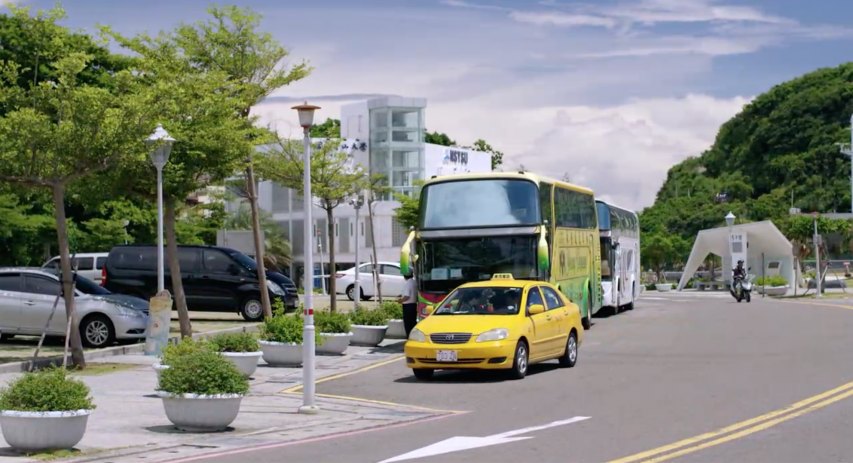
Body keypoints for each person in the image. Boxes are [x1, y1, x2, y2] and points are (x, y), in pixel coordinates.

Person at [398, 272, 418, 337]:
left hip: (408, 306)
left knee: (408, 323)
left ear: (404, 276)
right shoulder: (414, 282)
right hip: (414, 305)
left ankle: (409, 336)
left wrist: (400, 300)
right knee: (413, 322)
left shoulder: (408, 284)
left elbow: (407, 296)